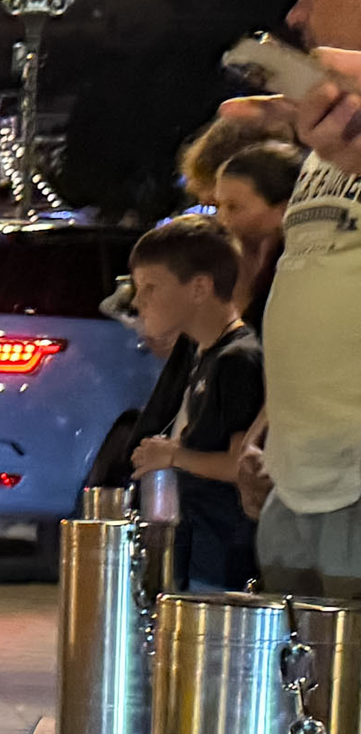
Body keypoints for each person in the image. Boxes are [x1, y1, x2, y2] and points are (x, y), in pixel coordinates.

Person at [219, 0, 361, 595]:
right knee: (300, 700)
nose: (296, 17)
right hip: (300, 490)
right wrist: (266, 433)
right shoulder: (329, 141)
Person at [125, 216, 264, 591]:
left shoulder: (238, 360)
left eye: (151, 287)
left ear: (200, 287)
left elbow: (241, 464)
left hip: (222, 555)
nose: (139, 301)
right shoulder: (204, 354)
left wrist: (171, 455)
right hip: (196, 545)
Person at [213, 141, 299, 334]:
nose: (222, 220)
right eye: (218, 206)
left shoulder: (297, 278)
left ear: (283, 209)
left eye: (234, 207)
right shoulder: (230, 267)